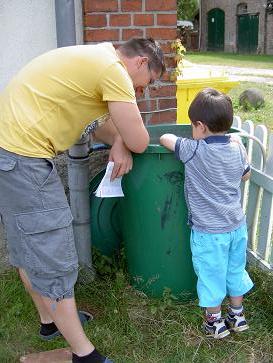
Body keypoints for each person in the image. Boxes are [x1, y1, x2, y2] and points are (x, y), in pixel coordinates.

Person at [0, 38, 165, 362]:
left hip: (10, 153)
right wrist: (125, 140)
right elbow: (141, 140)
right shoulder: (114, 70)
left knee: (27, 246)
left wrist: (118, 140)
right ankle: (83, 355)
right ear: (141, 62)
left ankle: (50, 323)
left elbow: (105, 128)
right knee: (53, 253)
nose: (142, 92)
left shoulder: (97, 58)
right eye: (147, 84)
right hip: (24, 158)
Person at [160, 88, 254, 339]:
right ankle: (237, 315)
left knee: (211, 274)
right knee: (235, 269)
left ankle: (214, 322)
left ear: (200, 126)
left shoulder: (194, 150)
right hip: (236, 226)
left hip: (209, 232)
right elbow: (246, 175)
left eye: (193, 125)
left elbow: (165, 138)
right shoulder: (237, 148)